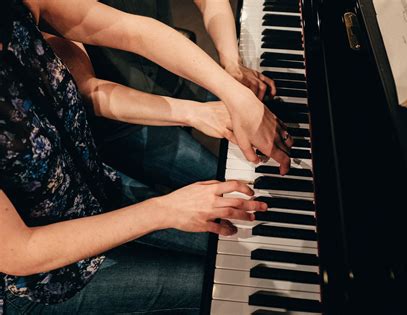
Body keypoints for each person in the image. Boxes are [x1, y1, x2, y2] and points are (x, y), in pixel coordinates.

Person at [0, 0, 293, 314]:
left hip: (95, 191)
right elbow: (22, 251)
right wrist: (165, 209)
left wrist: (235, 97)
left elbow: (132, 32)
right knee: (226, 286)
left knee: (246, 240)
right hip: (41, 281)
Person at [85, 0, 278, 190]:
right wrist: (197, 113)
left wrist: (232, 64)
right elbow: (88, 89)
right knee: (235, 188)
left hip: (175, 75)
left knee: (270, 112)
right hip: (121, 121)